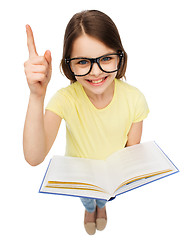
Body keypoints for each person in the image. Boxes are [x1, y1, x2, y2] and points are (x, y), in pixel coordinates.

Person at [23, 10, 149, 235]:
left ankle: (101, 207)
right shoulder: (65, 99)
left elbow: (132, 150)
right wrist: (36, 95)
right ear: (68, 65)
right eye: (83, 62)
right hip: (81, 177)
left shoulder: (134, 98)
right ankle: (90, 209)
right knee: (87, 200)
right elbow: (34, 156)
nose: (96, 72)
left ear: (120, 57)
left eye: (106, 59)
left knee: (104, 198)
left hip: (112, 177)